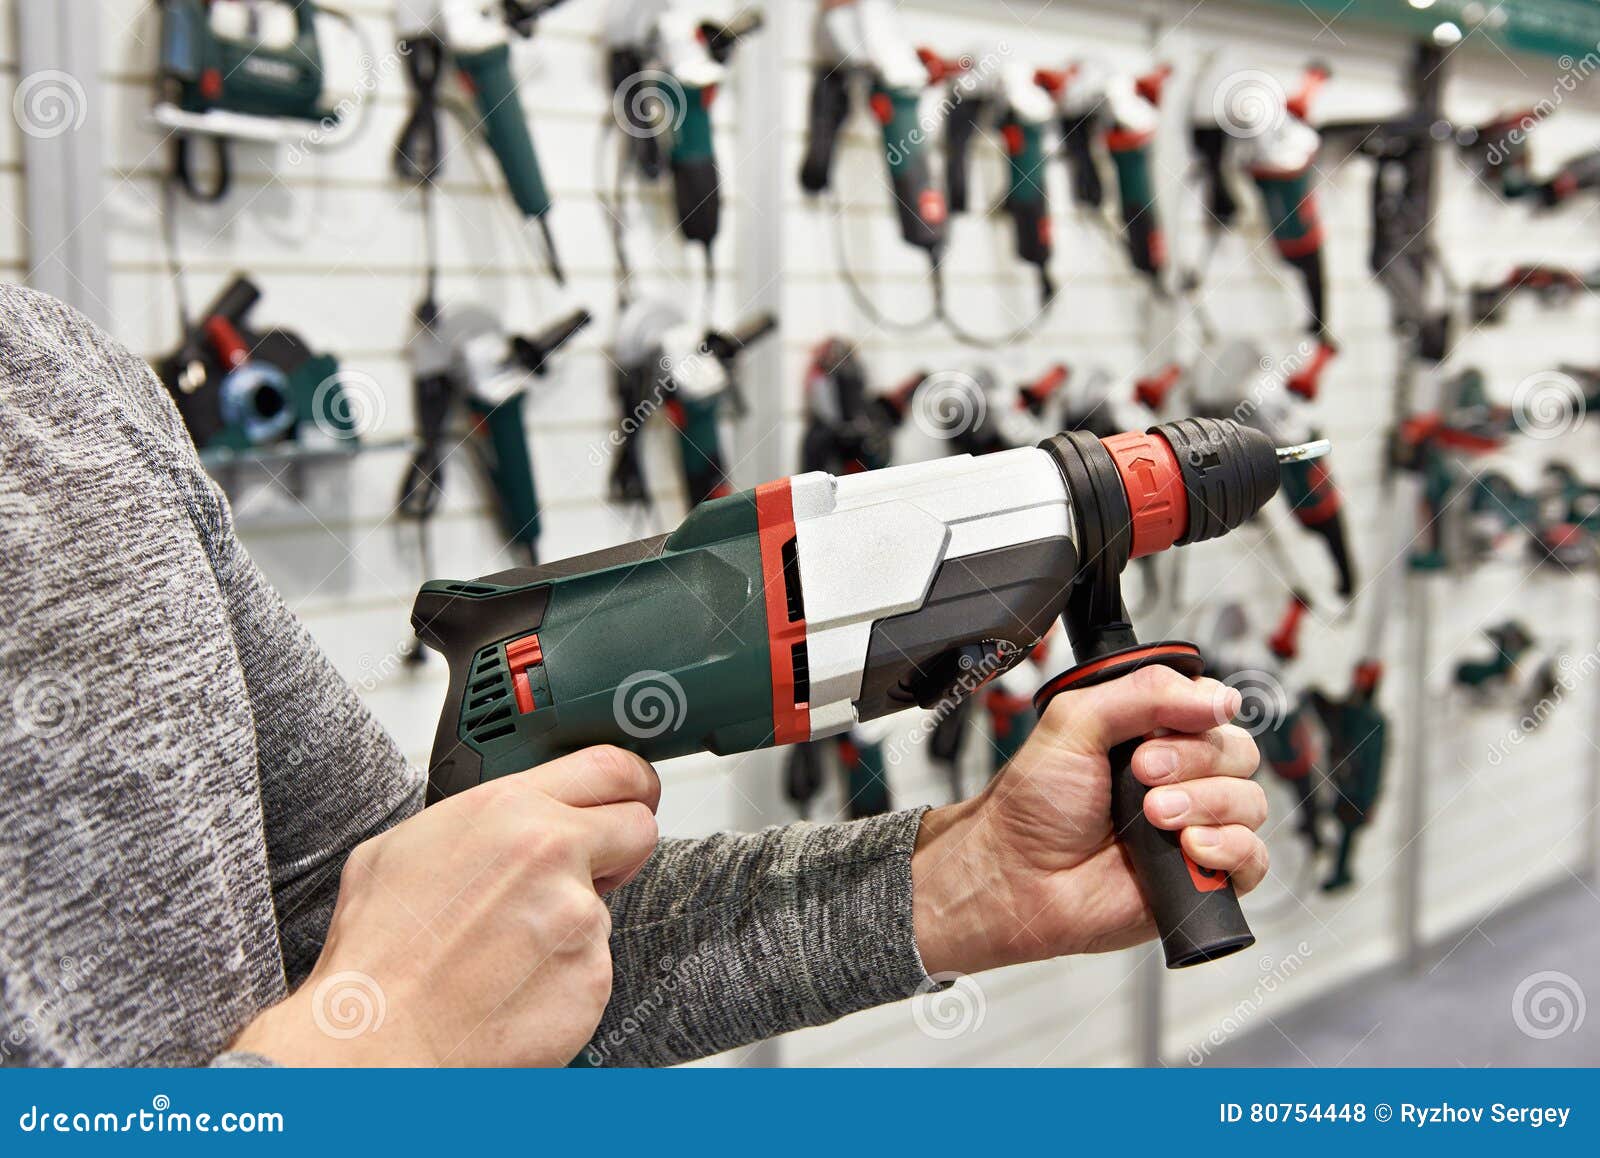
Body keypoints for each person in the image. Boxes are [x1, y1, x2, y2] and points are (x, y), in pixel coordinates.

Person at [0, 285, 1269, 1067]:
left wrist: (964, 879)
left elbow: (471, 956)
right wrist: (370, 1060)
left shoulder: (64, 388)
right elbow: (418, 1013)